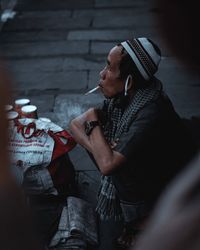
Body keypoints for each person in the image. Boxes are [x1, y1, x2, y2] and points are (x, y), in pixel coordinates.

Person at [69, 37, 197, 249]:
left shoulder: (150, 111)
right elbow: (74, 125)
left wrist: (93, 120)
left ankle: (143, 220)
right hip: (150, 171)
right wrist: (101, 149)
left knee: (114, 160)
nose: (102, 74)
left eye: (109, 68)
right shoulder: (126, 96)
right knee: (106, 150)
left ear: (129, 80)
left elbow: (107, 165)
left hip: (168, 181)